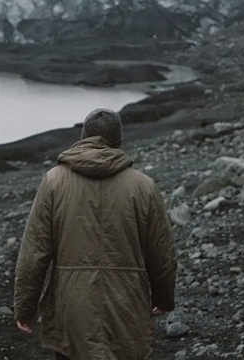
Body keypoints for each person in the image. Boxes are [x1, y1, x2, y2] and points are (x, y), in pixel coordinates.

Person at [14, 108, 177, 360]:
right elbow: (162, 254)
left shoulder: (54, 182)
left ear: (82, 137)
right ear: (118, 141)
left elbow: (34, 252)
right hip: (126, 305)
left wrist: (25, 308)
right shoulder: (143, 186)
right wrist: (163, 298)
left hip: (71, 308)